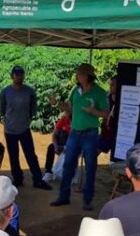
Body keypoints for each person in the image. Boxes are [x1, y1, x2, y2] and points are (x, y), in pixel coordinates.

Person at [50, 63, 108, 210]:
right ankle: (63, 197)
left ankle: (87, 200)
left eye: (80, 74)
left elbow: (107, 114)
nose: (77, 76)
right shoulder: (76, 90)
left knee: (90, 167)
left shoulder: (100, 93)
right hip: (74, 133)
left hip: (90, 134)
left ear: (87, 76)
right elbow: (69, 107)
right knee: (68, 165)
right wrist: (56, 103)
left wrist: (94, 112)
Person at [0, 66, 51, 190]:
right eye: (17, 74)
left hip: (24, 128)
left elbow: (33, 108)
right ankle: (17, 179)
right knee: (13, 155)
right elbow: (2, 109)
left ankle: (37, 179)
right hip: (10, 130)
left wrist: (27, 120)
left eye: (21, 74)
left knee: (30, 155)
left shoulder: (30, 91)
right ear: (12, 76)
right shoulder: (5, 92)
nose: (19, 77)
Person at [42, 106, 71, 182]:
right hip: (62, 142)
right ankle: (48, 172)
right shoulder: (63, 119)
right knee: (51, 147)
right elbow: (55, 134)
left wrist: (65, 148)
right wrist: (56, 146)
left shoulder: (78, 122)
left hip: (73, 145)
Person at [98, 76, 117, 155]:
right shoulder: (107, 97)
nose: (110, 87)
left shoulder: (124, 100)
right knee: (92, 153)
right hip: (105, 133)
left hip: (117, 135)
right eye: (110, 84)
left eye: (112, 85)